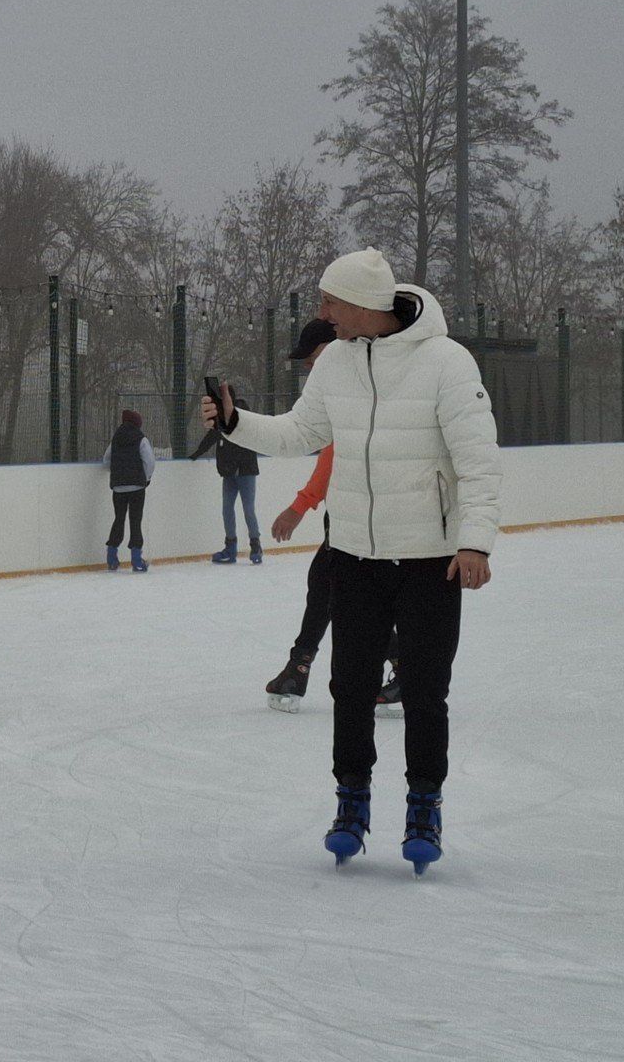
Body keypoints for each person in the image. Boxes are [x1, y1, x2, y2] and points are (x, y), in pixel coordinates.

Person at [201, 248, 500, 874]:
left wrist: (475, 540)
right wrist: (234, 422)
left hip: (430, 559)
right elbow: (299, 434)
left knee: (424, 691)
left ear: (363, 303)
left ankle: (424, 807)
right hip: (354, 555)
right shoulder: (335, 361)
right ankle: (352, 802)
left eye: (329, 302)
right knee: (350, 687)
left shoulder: (446, 362)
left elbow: (478, 458)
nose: (322, 314)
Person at [264, 319, 400, 714]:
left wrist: (299, 505)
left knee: (339, 595)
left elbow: (335, 456)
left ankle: (300, 668)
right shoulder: (344, 384)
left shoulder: (356, 382)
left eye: (312, 358)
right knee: (331, 591)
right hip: (348, 512)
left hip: (364, 513)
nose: (309, 368)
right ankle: (300, 667)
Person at [188, 392, 261, 563]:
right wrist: (196, 454)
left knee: (248, 509)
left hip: (245, 471)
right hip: (229, 473)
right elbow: (211, 437)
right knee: (227, 509)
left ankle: (256, 546)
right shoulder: (221, 418)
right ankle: (231, 547)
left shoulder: (242, 417)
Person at [100, 408, 157, 571]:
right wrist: (145, 479)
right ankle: (137, 560)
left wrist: (118, 474)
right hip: (137, 487)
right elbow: (149, 461)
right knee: (135, 520)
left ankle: (111, 558)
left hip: (118, 488)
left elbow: (106, 461)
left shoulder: (115, 439)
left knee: (119, 519)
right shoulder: (141, 439)